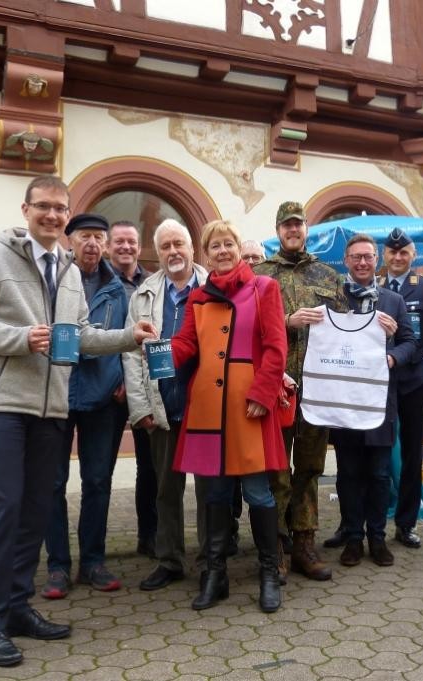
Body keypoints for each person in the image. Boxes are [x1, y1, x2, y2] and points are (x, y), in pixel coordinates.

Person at [0, 176, 157, 667]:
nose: (54, 216)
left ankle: (18, 607)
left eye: (61, 209)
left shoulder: (66, 267)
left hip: (52, 407)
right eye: (44, 207)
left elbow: (79, 335)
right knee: (3, 507)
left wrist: (130, 336)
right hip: (1, 404)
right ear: (26, 209)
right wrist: (19, 339)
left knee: (35, 509)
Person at [171, 219, 288, 613]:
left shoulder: (264, 288)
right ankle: (215, 576)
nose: (222, 251)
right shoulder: (199, 298)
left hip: (248, 407)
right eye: (214, 246)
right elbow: (187, 342)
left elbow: (275, 346)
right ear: (207, 254)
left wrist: (264, 391)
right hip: (207, 406)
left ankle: (270, 573)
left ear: (239, 248)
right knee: (216, 494)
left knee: (257, 491)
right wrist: (159, 353)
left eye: (228, 244)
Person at [254, 201, 348, 583]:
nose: (293, 230)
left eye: (298, 224)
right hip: (276, 389)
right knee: (275, 472)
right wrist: (286, 322)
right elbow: (248, 331)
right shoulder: (259, 275)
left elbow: (345, 330)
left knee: (309, 470)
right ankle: (276, 548)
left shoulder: (327, 274)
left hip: (317, 391)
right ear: (278, 230)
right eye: (286, 225)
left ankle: (304, 544)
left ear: (307, 228)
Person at [41, 213, 129, 599]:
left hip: (103, 399)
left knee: (97, 482)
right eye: (84, 236)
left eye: (99, 237)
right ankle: (58, 566)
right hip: (56, 394)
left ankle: (93, 560)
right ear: (69, 241)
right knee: (52, 483)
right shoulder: (52, 281)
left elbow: (128, 343)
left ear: (106, 245)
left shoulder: (119, 288)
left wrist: (124, 381)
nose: (92, 243)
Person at [122, 219, 209, 591]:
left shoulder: (213, 288)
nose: (173, 252)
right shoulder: (143, 295)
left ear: (192, 248)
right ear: (157, 254)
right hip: (162, 405)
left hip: (204, 405)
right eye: (165, 247)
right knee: (165, 489)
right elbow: (130, 355)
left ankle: (210, 559)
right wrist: (139, 407)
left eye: (179, 244)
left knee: (209, 490)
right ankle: (170, 559)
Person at [330, 234, 417, 568]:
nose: (362, 263)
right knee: (349, 473)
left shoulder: (393, 301)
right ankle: (353, 538)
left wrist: (393, 356)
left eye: (368, 257)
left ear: (377, 259)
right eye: (356, 257)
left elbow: (411, 343)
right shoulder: (335, 299)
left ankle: (377, 538)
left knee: (379, 475)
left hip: (381, 401)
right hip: (345, 403)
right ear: (347, 260)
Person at [380, 228, 423, 549]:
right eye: (392, 252)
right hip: (379, 383)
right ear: (384, 256)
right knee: (375, 450)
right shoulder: (375, 290)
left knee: (410, 453)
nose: (397, 257)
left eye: (403, 252)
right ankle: (372, 518)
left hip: (413, 384)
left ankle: (406, 523)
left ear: (413, 255)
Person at [109, 220, 157, 558]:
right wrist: (116, 378)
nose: (126, 247)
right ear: (111, 247)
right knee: (100, 474)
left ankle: (150, 535)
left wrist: (134, 382)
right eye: (120, 242)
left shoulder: (151, 284)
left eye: (131, 242)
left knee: (149, 466)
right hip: (107, 391)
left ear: (139, 248)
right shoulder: (99, 282)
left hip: (141, 387)